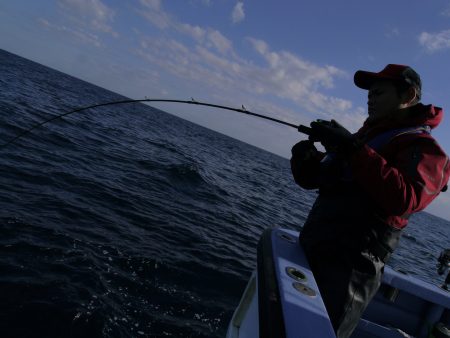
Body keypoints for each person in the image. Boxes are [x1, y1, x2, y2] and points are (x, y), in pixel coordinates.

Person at [290, 64, 450, 338]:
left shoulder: (425, 148)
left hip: (350, 269)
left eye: (378, 93)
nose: (370, 98)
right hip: (315, 246)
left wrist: (352, 148)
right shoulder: (367, 138)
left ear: (408, 94)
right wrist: (306, 160)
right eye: (369, 94)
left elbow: (406, 198)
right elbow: (325, 179)